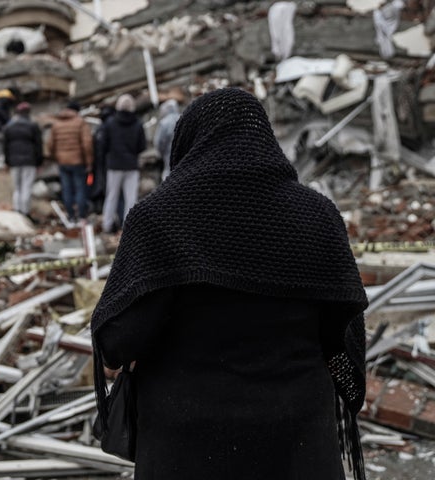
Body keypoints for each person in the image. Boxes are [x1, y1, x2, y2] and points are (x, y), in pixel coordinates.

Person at [91, 88, 368, 480]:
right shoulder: (319, 215)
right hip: (296, 441)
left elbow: (118, 342)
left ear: (189, 143)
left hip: (187, 444)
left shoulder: (158, 218)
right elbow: (339, 328)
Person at [100, 93, 146, 233]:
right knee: (130, 197)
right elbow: (141, 146)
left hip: (114, 164)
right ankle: (129, 227)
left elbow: (103, 144)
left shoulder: (110, 123)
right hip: (131, 165)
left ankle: (106, 225)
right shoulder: (138, 124)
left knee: (111, 196)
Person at [47, 99, 93, 223]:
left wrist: (55, 157)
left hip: (62, 162)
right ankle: (82, 215)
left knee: (66, 189)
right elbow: (87, 144)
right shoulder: (80, 123)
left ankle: (71, 215)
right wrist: (88, 162)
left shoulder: (56, 124)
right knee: (80, 188)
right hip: (78, 162)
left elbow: (50, 144)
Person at [3, 101, 43, 217]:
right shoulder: (33, 126)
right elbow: (38, 146)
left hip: (14, 162)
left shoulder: (9, 127)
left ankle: (17, 210)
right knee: (26, 187)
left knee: (17, 188)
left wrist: (7, 162)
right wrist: (39, 162)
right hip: (29, 161)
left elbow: (5, 146)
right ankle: (25, 212)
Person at [89, 105, 115, 215]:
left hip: (99, 160)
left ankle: (98, 206)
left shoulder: (100, 128)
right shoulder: (112, 126)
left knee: (99, 182)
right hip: (110, 161)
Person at [153, 98, 180, 181]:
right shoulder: (183, 118)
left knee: (168, 177)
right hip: (184, 154)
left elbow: (159, 142)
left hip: (169, 155)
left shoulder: (164, 123)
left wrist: (160, 153)